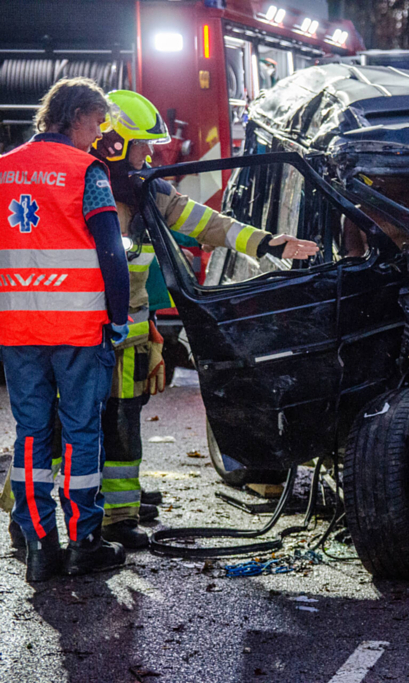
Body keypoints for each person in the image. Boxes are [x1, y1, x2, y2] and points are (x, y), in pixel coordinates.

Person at [86, 90, 319, 549]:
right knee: (72, 424)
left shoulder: (147, 192)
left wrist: (267, 243)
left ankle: (118, 512)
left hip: (125, 337)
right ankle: (38, 510)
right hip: (80, 338)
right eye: (141, 146)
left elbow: (206, 222)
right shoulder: (82, 195)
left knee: (122, 421)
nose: (149, 155)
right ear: (112, 144)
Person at [0, 78, 130, 582]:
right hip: (77, 327)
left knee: (30, 436)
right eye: (96, 124)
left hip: (16, 327)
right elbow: (110, 250)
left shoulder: (4, 170)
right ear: (74, 115)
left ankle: (39, 545)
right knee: (81, 433)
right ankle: (84, 543)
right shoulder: (86, 172)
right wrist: (118, 320)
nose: (97, 136)